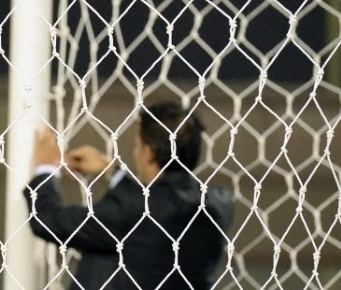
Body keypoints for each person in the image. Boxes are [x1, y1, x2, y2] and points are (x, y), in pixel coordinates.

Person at [25, 101, 234, 290]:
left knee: (102, 250)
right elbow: (157, 203)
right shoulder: (218, 204)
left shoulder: (131, 209)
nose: (135, 153)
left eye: (136, 146)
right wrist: (112, 171)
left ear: (149, 153)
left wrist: (45, 167)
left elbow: (47, 220)